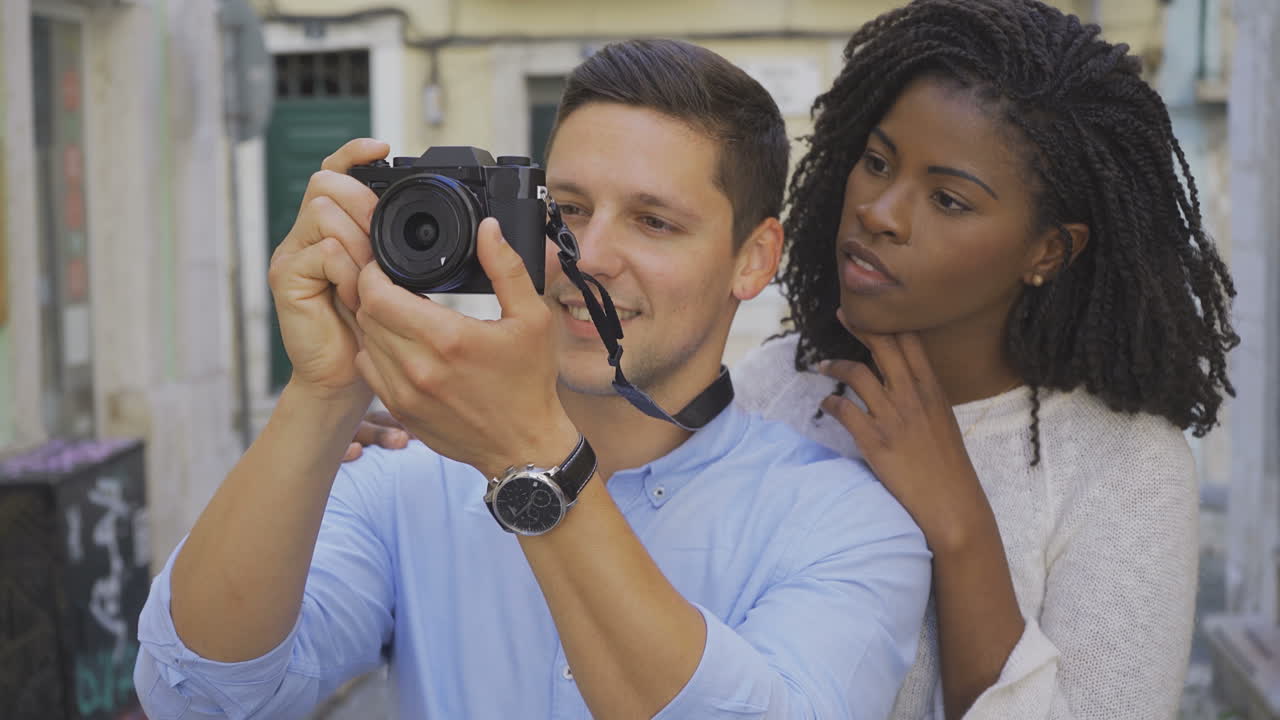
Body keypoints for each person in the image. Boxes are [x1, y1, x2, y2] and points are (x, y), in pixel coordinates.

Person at [133, 39, 932, 719]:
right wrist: (324, 392)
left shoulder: (849, 527)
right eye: (567, 210)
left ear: (754, 258)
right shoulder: (410, 477)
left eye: (654, 221)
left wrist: (534, 458)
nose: (588, 255)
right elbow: (198, 693)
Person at [732, 0, 1238, 718]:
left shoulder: (1126, 468)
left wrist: (960, 525)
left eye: (948, 199)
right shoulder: (773, 388)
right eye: (876, 162)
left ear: (1048, 251)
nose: (881, 211)